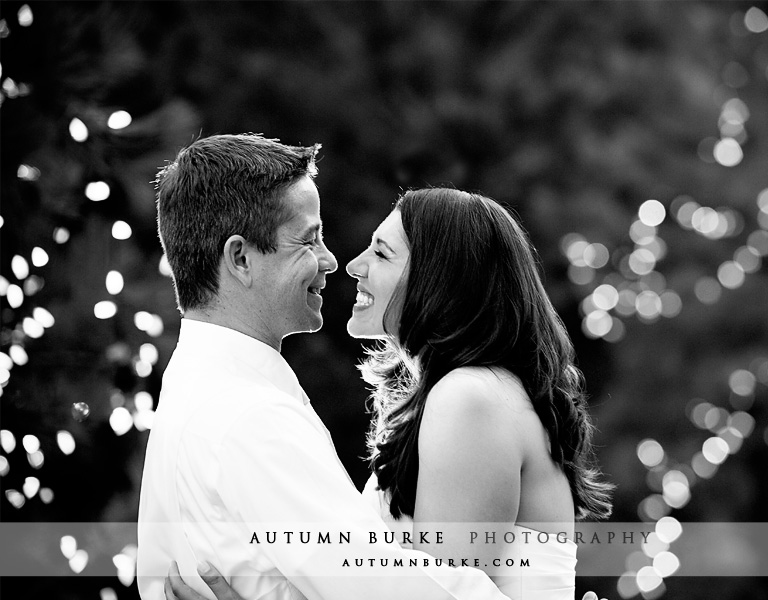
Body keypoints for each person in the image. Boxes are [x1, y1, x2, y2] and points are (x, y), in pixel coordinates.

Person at [164, 185, 613, 600]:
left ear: (440, 278)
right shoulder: (477, 394)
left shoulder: (470, 398)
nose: (353, 265)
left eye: (381, 253)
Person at [137, 133, 525, 600]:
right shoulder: (249, 418)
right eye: (308, 240)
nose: (332, 260)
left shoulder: (195, 389)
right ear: (240, 258)